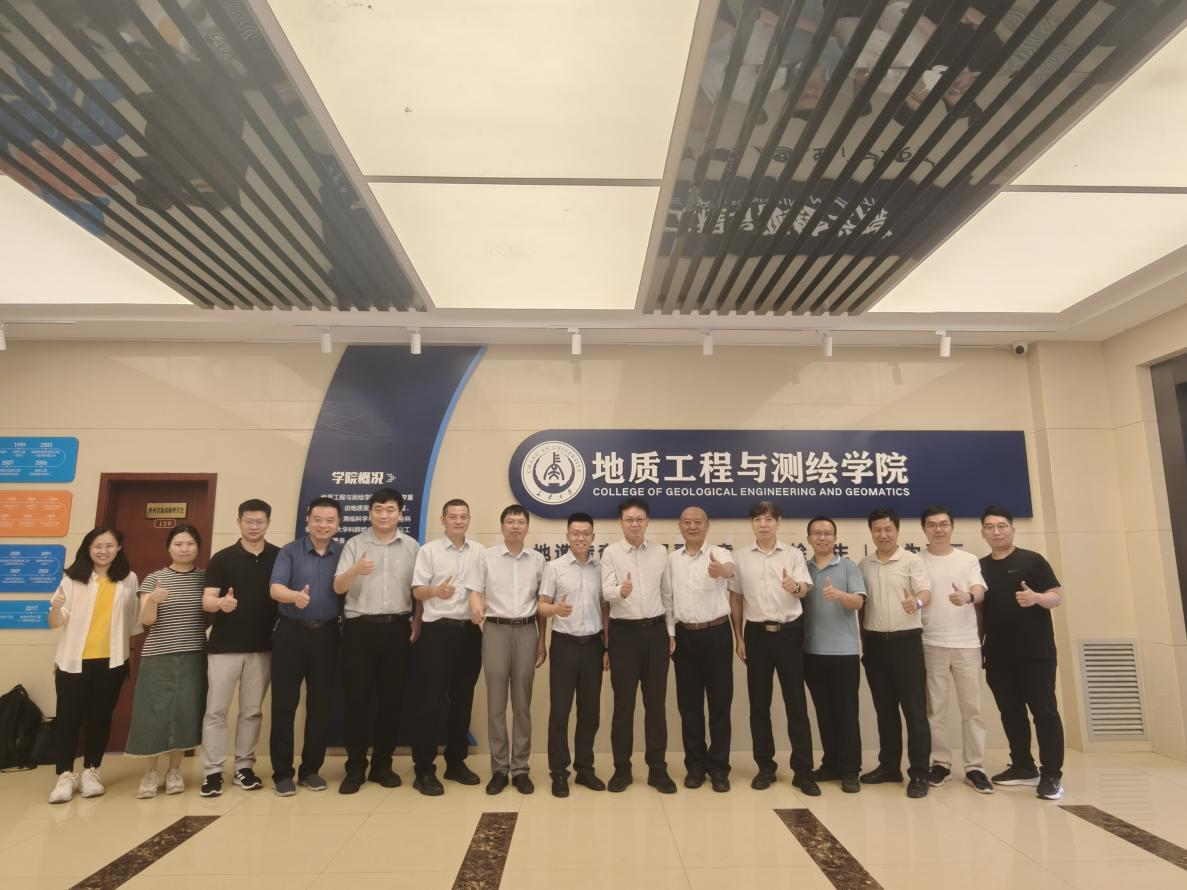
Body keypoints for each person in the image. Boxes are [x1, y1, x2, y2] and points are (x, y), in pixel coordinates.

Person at [333, 488, 420, 794]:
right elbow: (338, 587)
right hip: (359, 629)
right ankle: (355, 766)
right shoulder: (354, 544)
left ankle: (382, 765)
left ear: (400, 513)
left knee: (391, 700)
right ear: (369, 513)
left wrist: (417, 621)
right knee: (356, 700)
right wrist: (356, 570)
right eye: (379, 509)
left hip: (397, 629)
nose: (385, 515)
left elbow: (419, 590)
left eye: (391, 509)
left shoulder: (412, 546)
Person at [728, 501, 817, 795]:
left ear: (778, 522)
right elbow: (736, 598)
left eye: (768, 519)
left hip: (789, 633)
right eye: (757, 520)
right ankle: (765, 767)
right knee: (758, 704)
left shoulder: (793, 554)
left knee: (796, 704)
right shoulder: (740, 557)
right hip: (756, 635)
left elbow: (804, 588)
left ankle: (803, 770)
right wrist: (739, 637)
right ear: (751, 524)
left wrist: (794, 587)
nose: (763, 525)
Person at [47, 527, 141, 804]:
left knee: (100, 718)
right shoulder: (71, 579)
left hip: (112, 662)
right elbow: (55, 622)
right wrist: (55, 607)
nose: (103, 551)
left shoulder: (128, 579)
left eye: (109, 545)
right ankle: (65, 775)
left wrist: (128, 657)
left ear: (119, 548)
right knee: (68, 719)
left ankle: (91, 771)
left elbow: (132, 623)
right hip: (72, 662)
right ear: (88, 548)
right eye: (97, 546)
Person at [979, 505, 1066, 800]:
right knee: (1011, 712)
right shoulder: (980, 567)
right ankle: (1023, 766)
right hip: (998, 654)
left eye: (1002, 526)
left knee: (1044, 712)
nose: (996, 531)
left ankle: (1052, 774)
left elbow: (1055, 597)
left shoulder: (1032, 560)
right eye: (990, 527)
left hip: (1036, 652)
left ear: (1012, 529)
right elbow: (980, 611)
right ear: (983, 532)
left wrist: (1036, 597)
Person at [198, 498, 279, 797]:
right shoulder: (222, 558)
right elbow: (207, 600)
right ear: (239, 522)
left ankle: (244, 767)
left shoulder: (279, 556)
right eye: (248, 521)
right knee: (216, 711)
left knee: (252, 711)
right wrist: (221, 603)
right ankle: (212, 771)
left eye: (259, 521)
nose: (254, 526)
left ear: (267, 523)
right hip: (224, 648)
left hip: (262, 647)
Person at [467, 504, 546, 795]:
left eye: (520, 522)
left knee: (522, 704)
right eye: (510, 521)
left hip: (527, 630)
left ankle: (521, 769)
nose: (515, 526)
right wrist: (476, 607)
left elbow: (543, 603)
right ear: (502, 527)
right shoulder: (486, 557)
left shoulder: (538, 560)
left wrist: (542, 640)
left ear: (527, 527)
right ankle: (499, 769)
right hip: (495, 630)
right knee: (496, 704)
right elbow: (474, 591)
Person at [126, 525, 208, 798]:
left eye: (190, 544)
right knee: (153, 714)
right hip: (158, 657)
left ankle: (174, 771)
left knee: (185, 713)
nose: (184, 549)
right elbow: (146, 620)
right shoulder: (154, 579)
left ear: (198, 547)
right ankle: (150, 772)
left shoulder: (205, 578)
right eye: (178, 544)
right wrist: (153, 600)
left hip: (194, 655)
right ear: (169, 548)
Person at [268, 496, 343, 796]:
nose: (323, 525)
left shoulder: (344, 553)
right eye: (318, 519)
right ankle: (282, 773)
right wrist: (294, 597)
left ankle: (311, 769)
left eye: (330, 520)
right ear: (308, 521)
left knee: (320, 705)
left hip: (328, 635)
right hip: (291, 633)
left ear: (338, 524)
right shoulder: (290, 551)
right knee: (284, 705)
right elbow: (275, 588)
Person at [602, 497, 677, 794]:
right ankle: (622, 769)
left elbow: (667, 595)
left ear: (647, 521)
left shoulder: (660, 552)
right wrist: (621, 591)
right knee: (624, 705)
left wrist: (670, 633)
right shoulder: (611, 553)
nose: (634, 524)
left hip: (656, 633)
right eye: (629, 519)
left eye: (639, 519)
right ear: (621, 522)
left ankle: (658, 769)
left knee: (656, 704)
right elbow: (606, 592)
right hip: (624, 635)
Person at [409, 499, 483, 796]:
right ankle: (424, 769)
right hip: (436, 633)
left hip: (469, 633)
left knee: (463, 700)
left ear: (469, 519)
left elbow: (482, 589)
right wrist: (435, 591)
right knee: (431, 701)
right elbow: (417, 591)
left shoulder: (479, 552)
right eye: (453, 516)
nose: (458, 521)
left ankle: (456, 762)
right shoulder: (429, 551)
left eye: (463, 516)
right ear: (443, 520)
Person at [859, 507, 932, 799]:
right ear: (871, 532)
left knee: (915, 712)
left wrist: (917, 602)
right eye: (877, 529)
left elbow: (925, 592)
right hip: (875, 645)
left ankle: (920, 773)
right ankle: (889, 767)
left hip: (906, 643)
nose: (883, 534)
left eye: (888, 529)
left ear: (897, 530)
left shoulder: (912, 561)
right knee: (885, 711)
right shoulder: (864, 564)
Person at [918, 505, 992, 794]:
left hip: (966, 644)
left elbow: (979, 591)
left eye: (944, 524)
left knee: (972, 709)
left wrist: (968, 596)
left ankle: (975, 767)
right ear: (924, 529)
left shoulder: (968, 559)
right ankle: (940, 763)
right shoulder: (916, 560)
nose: (939, 529)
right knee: (935, 709)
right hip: (931, 641)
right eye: (932, 524)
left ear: (952, 527)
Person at [539, 512, 608, 798]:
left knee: (590, 712)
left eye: (586, 533)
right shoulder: (554, 568)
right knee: (560, 712)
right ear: (567, 536)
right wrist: (555, 609)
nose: (581, 538)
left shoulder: (601, 568)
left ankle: (585, 768)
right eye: (575, 533)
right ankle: (559, 772)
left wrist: (607, 646)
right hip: (564, 645)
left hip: (593, 645)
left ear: (593, 537)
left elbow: (606, 609)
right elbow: (541, 606)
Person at [668, 506, 735, 792]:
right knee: (689, 706)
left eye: (698, 522)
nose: (692, 526)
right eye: (687, 522)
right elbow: (667, 599)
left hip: (717, 634)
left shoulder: (720, 553)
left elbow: (730, 571)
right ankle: (695, 766)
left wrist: (721, 571)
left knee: (720, 704)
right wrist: (670, 634)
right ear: (680, 526)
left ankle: (719, 768)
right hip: (684, 637)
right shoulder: (671, 560)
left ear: (707, 526)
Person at [803, 516, 865, 794]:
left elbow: (859, 602)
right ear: (809, 539)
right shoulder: (804, 569)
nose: (822, 537)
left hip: (844, 653)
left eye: (827, 533)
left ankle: (850, 770)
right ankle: (830, 764)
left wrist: (839, 594)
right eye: (816, 533)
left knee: (846, 713)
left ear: (835, 538)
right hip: (811, 652)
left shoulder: (848, 566)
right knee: (824, 713)